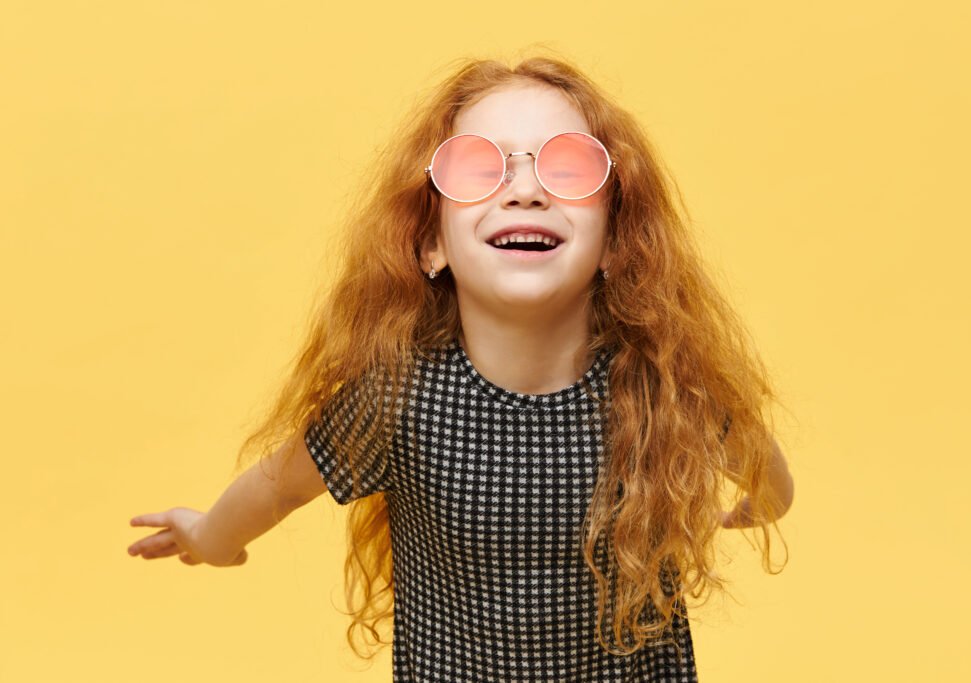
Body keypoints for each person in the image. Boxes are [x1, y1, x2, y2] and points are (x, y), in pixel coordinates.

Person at [127, 54, 795, 682]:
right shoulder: (396, 400)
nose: (526, 191)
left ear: (616, 243)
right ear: (429, 243)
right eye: (480, 170)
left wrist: (764, 502)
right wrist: (210, 536)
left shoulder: (661, 389)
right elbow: (276, 486)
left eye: (567, 168)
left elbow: (761, 460)